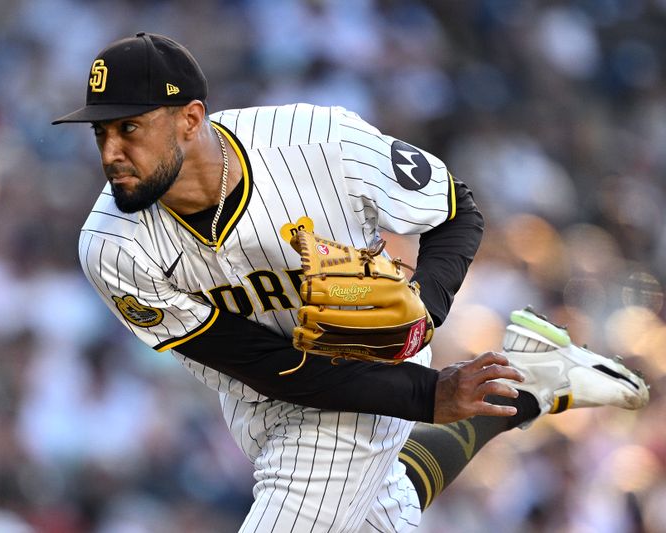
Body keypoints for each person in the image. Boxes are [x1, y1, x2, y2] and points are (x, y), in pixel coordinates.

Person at [52, 33, 648, 532]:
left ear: (190, 119)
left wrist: (422, 313)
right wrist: (426, 396)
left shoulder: (316, 141)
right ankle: (522, 386)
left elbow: (454, 211)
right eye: (99, 132)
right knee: (392, 506)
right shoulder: (111, 246)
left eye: (128, 127)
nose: (110, 152)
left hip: (373, 361)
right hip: (266, 395)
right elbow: (259, 361)